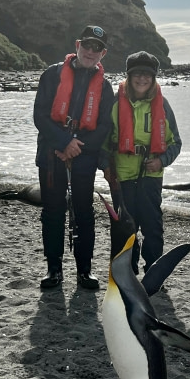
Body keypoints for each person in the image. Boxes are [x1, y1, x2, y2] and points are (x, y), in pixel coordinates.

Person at [33, 25, 114, 289]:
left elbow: (104, 127)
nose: (91, 52)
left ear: (103, 53)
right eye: (87, 45)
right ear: (78, 45)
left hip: (84, 155)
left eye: (97, 48)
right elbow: (40, 116)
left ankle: (84, 270)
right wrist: (63, 142)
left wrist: (77, 146)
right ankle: (53, 268)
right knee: (53, 210)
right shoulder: (52, 75)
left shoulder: (106, 87)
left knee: (83, 212)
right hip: (51, 152)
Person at [102, 51, 182, 274]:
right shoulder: (114, 103)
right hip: (122, 176)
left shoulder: (163, 105)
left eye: (147, 74)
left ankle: (154, 270)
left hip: (151, 176)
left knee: (153, 226)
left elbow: (176, 142)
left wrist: (162, 161)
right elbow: (102, 142)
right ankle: (126, 271)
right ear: (128, 76)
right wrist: (106, 167)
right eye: (137, 74)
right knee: (125, 229)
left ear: (154, 78)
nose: (142, 78)